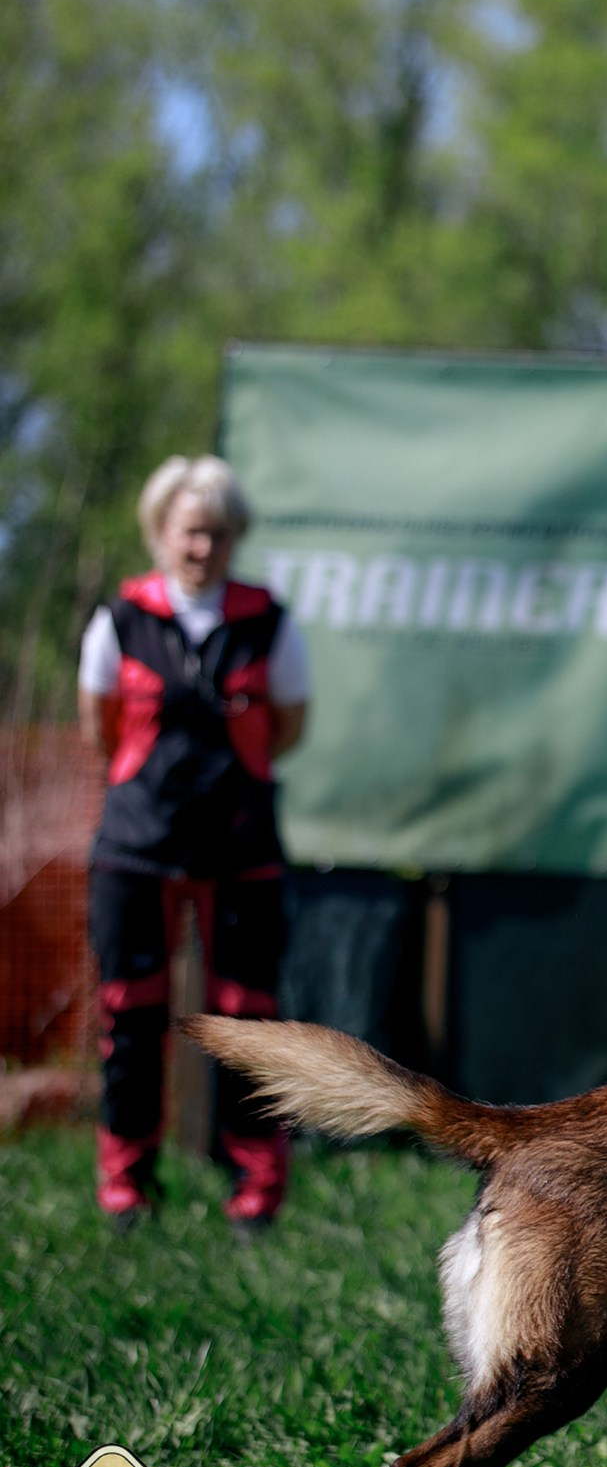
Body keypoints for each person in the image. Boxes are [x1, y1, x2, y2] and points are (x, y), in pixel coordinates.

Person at [77, 454, 311, 1237]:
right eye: (189, 531)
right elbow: (101, 724)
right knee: (129, 1014)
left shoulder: (270, 623)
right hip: (135, 849)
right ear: (160, 532)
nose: (201, 547)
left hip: (241, 851)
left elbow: (288, 726)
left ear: (235, 536)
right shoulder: (121, 620)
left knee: (250, 1022)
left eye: (216, 532)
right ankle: (127, 1188)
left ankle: (256, 1192)